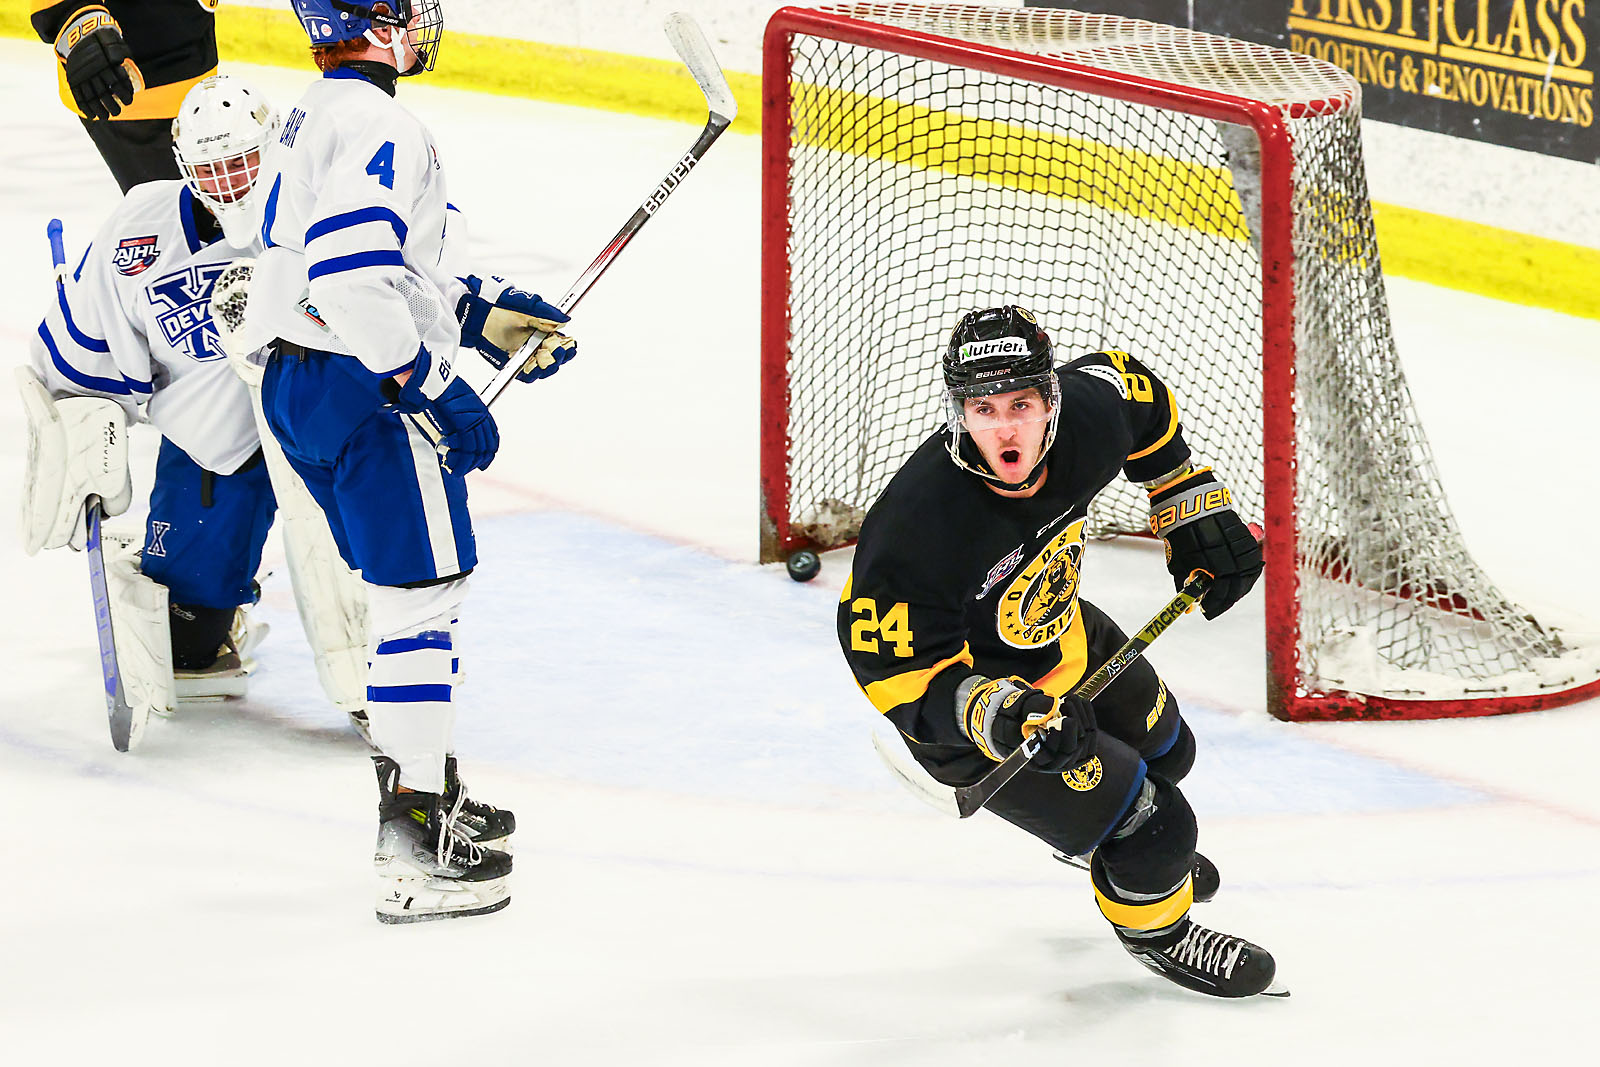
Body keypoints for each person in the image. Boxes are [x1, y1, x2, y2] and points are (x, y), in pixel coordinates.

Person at [232, 0, 576, 923]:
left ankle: (432, 794)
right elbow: (350, 275)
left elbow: (377, 264)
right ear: (377, 21)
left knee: (404, 600)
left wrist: (484, 314)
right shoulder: (382, 122)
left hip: (301, 383)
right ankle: (415, 838)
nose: (421, 19)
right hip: (363, 388)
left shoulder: (312, 112)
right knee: (421, 602)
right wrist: (430, 379)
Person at [837, 305, 1278, 998]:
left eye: (1021, 404)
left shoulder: (1088, 421)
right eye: (983, 409)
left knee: (1171, 754)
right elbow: (893, 669)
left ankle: (1114, 854)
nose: (1005, 429)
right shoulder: (918, 525)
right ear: (959, 413)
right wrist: (1000, 713)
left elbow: (1135, 390)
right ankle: (1157, 929)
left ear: (1051, 399)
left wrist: (1184, 496)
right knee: (1157, 827)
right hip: (969, 716)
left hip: (1062, 633)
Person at [19, 74, 285, 735]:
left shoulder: (313, 209)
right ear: (184, 166)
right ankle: (208, 601)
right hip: (217, 445)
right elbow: (80, 351)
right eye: (211, 168)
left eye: (242, 162)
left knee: (376, 594)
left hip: (320, 420)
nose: (229, 182)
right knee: (187, 645)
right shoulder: (140, 226)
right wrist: (77, 433)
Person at [31, 0, 220, 192]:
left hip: (201, 76)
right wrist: (73, 12)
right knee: (178, 205)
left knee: (219, 199)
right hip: (128, 87)